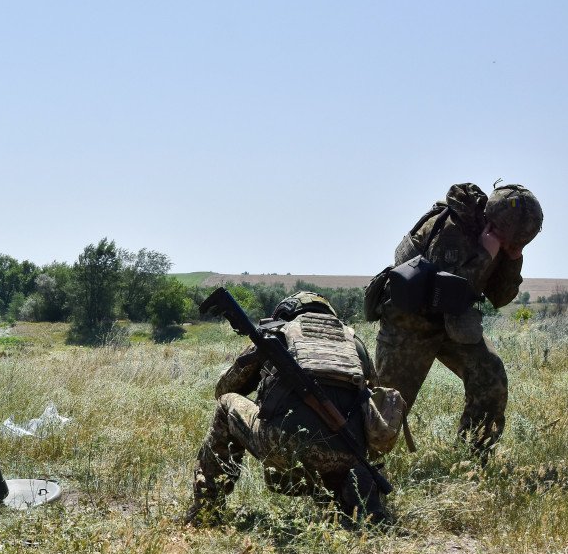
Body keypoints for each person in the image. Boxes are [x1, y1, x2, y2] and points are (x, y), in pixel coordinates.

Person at [373, 183, 543, 460]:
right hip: (410, 322)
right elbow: (446, 293)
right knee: (387, 405)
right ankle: (354, 469)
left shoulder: (503, 239)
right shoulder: (453, 230)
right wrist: (485, 255)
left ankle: (472, 460)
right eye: (511, 240)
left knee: (490, 377)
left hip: (454, 323)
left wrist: (512, 259)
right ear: (491, 222)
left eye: (521, 243)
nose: (513, 246)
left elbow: (500, 298)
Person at [188, 292, 387, 525]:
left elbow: (224, 388)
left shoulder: (276, 334)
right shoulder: (354, 343)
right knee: (333, 445)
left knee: (226, 404)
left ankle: (206, 510)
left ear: (285, 313)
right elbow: (376, 398)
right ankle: (349, 500)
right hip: (348, 454)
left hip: (282, 445)